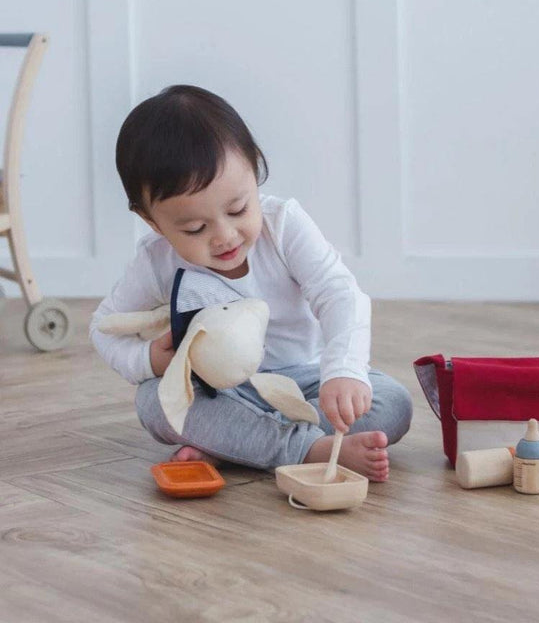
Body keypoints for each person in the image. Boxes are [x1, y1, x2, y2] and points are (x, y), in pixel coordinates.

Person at [90, 85, 412, 481]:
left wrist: (344, 370)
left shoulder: (283, 225)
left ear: (255, 169)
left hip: (307, 379)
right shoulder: (155, 260)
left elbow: (339, 293)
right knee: (154, 402)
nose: (225, 236)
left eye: (238, 209)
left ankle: (238, 446)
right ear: (152, 221)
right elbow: (104, 328)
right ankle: (308, 449)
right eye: (194, 228)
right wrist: (148, 361)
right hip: (224, 391)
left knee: (392, 402)